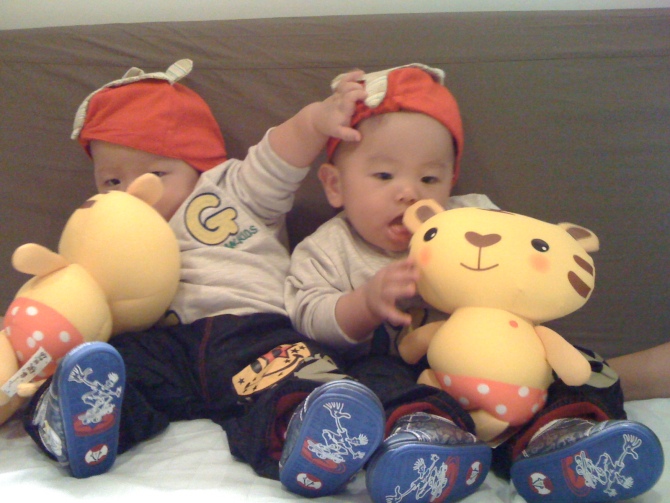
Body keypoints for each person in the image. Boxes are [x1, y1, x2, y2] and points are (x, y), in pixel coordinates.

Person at [284, 64, 664, 503]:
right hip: (413, 377)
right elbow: (307, 318)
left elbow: (522, 268)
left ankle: (565, 437)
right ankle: (424, 442)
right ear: (335, 185)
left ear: (451, 181)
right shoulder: (329, 247)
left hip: (510, 370)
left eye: (429, 178)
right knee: (373, 380)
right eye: (384, 176)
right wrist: (365, 304)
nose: (409, 192)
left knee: (584, 367)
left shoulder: (473, 217)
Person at [22, 59, 389, 497]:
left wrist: (314, 120)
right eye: (112, 180)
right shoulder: (107, 231)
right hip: (167, 346)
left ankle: (316, 436)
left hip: (253, 332)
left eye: (156, 174)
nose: (132, 192)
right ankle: (75, 421)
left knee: (294, 374)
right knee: (116, 365)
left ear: (198, 165)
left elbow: (278, 157)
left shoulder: (227, 189)